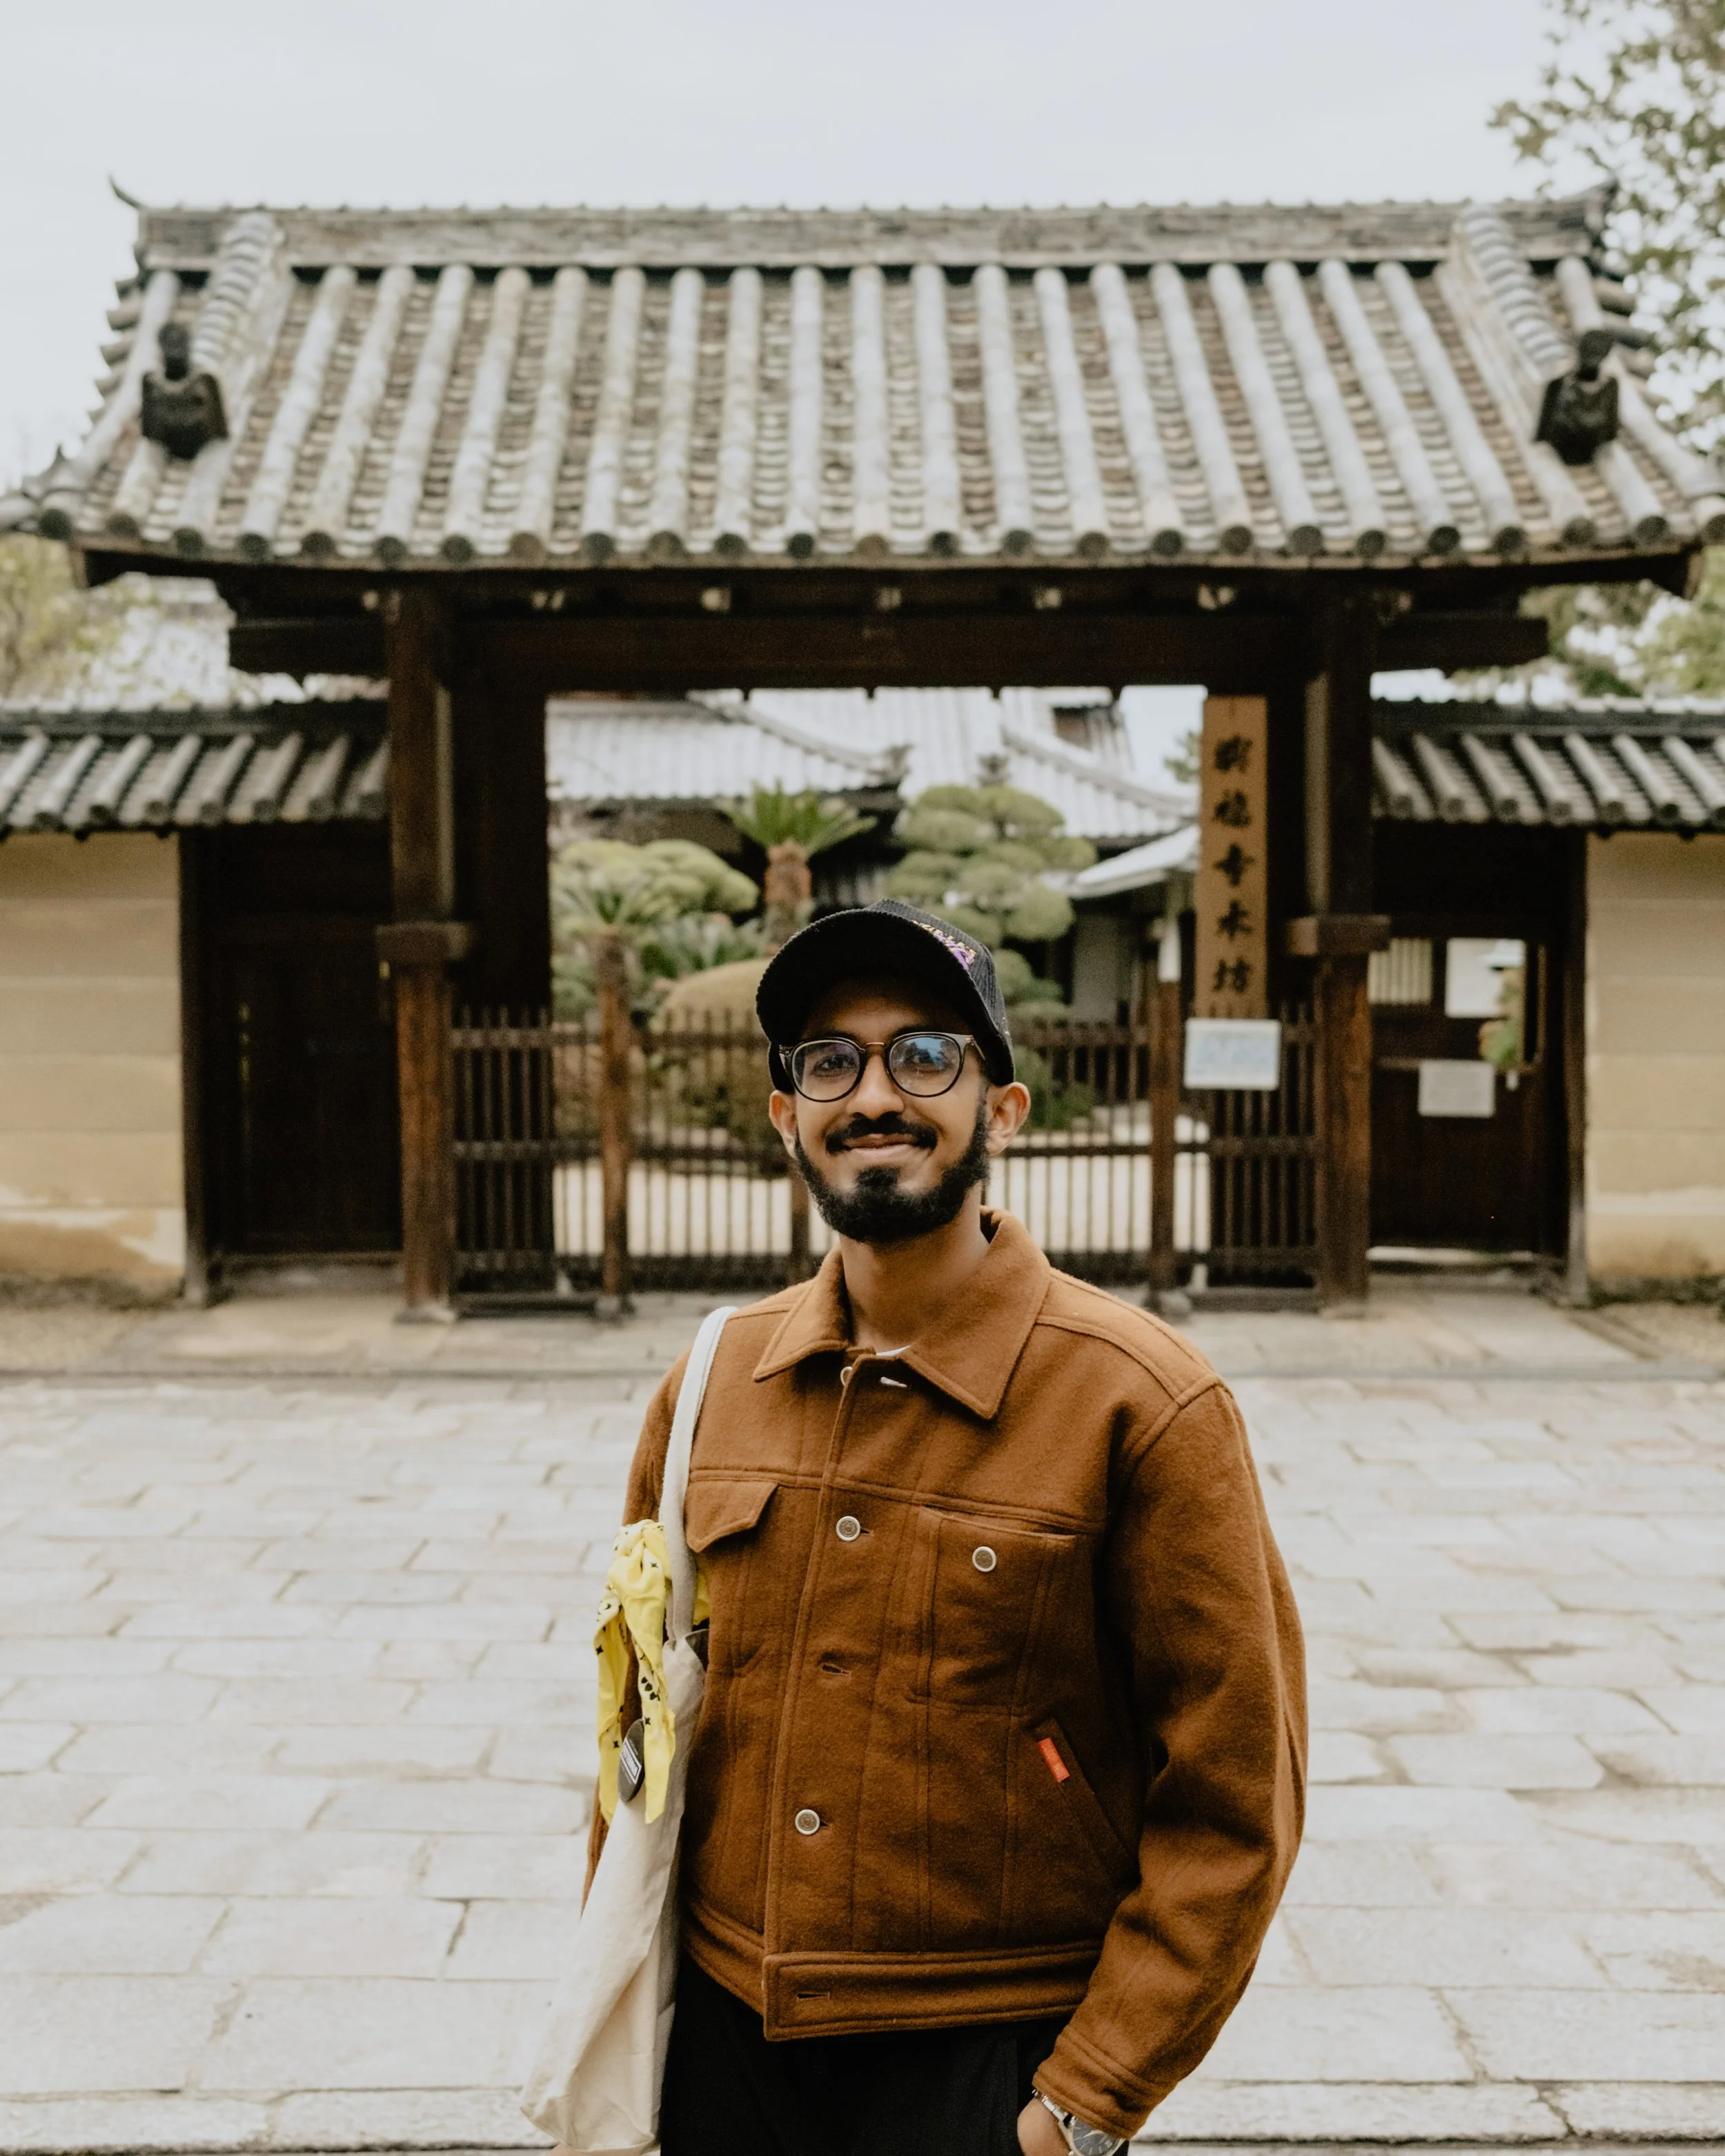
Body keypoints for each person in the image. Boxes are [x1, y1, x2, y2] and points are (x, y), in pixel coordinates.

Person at [591, 899, 1306, 2156]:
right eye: (830, 1061)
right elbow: (641, 1724)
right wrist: (618, 2011)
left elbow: (1239, 1791)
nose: (875, 1093)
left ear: (1004, 1110)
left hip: (991, 2046)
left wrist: (1079, 2105)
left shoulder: (1141, 1399)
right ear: (786, 1119)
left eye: (925, 1056)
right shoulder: (712, 1380)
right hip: (720, 2035)